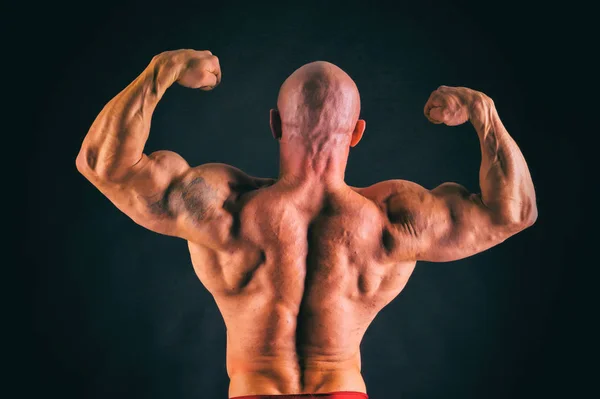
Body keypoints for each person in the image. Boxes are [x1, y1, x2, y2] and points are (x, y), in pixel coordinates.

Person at [76, 49, 537, 399]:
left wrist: (165, 69)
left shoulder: (222, 207)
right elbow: (513, 212)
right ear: (357, 132)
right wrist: (484, 113)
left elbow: (102, 163)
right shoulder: (392, 220)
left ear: (275, 124)